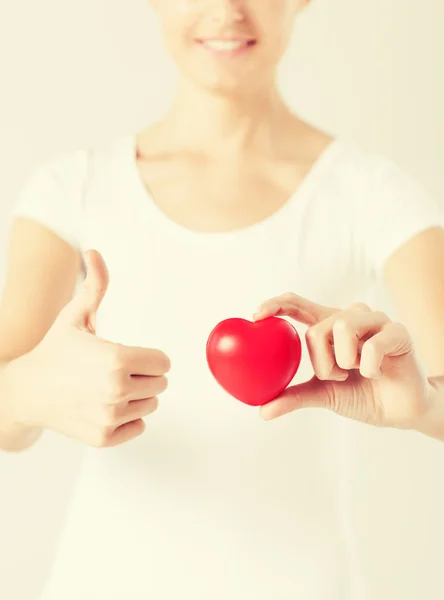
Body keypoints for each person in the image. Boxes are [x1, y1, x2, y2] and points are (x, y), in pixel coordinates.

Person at [0, 0, 444, 598]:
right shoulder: (71, 187)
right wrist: (32, 391)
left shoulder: (373, 193)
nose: (225, 10)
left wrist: (422, 405)